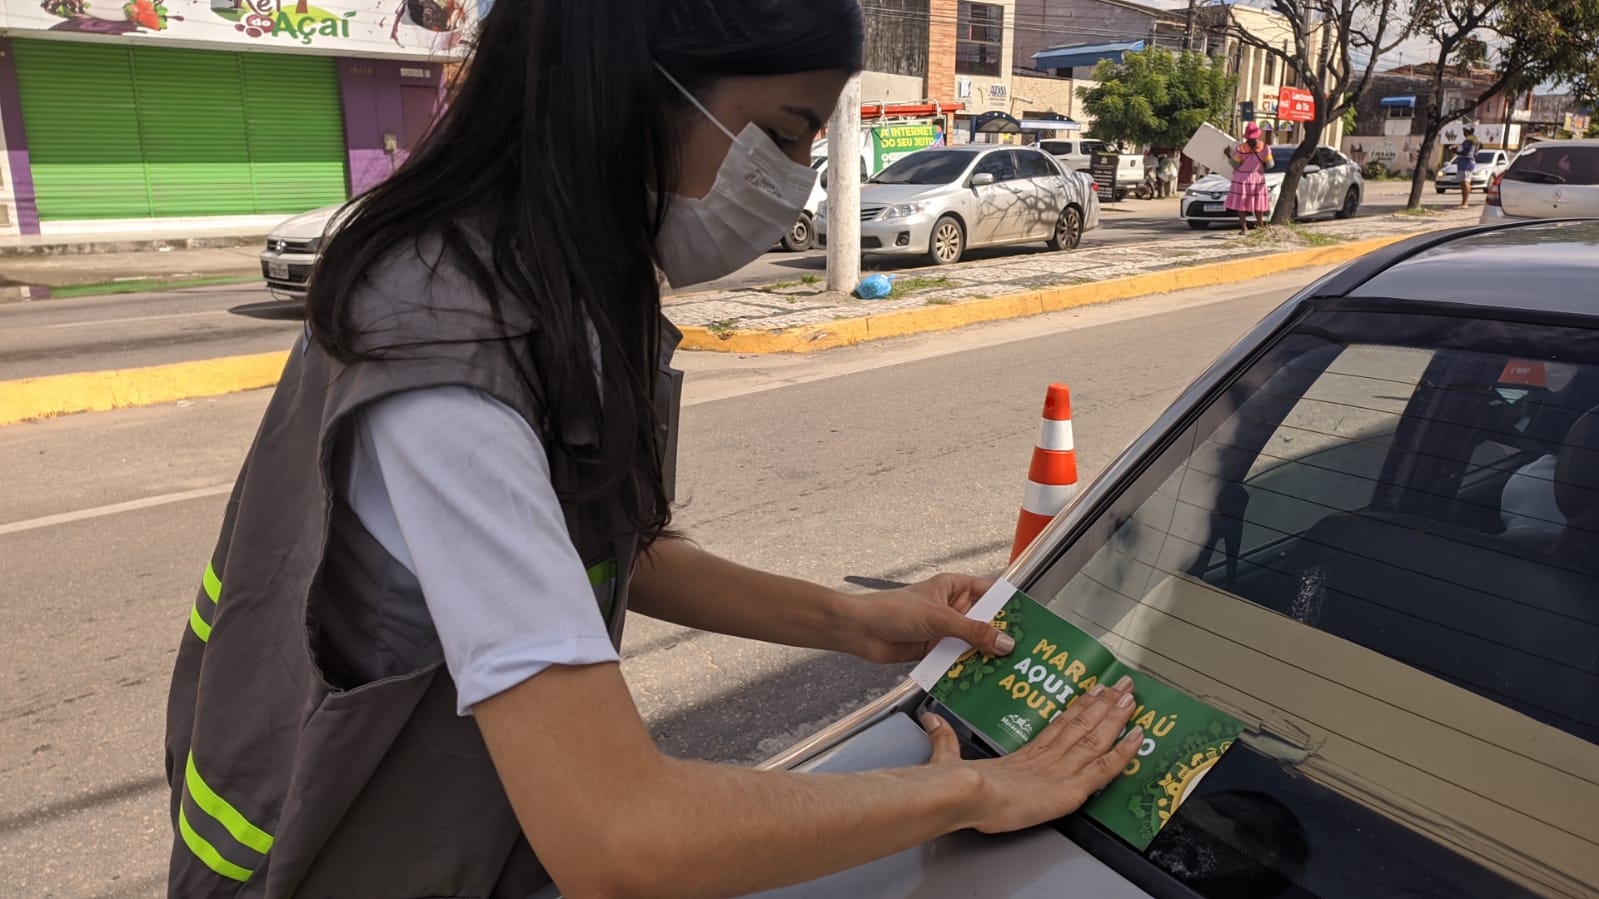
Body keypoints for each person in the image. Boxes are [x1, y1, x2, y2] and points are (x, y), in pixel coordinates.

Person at [162, 2, 1145, 897]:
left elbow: (584, 548)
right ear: (638, 88)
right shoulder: (446, 358)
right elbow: (621, 833)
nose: (795, 180)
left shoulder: (540, 281)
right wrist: (977, 790)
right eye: (786, 132)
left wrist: (852, 618)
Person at [1226, 123, 1274, 233]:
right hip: (1258, 178)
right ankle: (1260, 225)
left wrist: (1228, 155)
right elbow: (1270, 165)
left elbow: (1236, 165)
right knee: (1258, 203)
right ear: (1257, 135)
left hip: (1241, 179)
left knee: (1241, 205)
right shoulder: (1265, 148)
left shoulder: (1241, 148)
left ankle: (1244, 228)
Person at [1456, 127, 1479, 208]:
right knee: (1464, 182)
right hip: (1466, 162)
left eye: (1464, 131)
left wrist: (1455, 151)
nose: (1463, 133)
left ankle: (1465, 203)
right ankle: (1464, 202)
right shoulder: (1473, 140)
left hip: (1466, 163)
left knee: (1465, 182)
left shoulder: (1469, 140)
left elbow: (1465, 152)